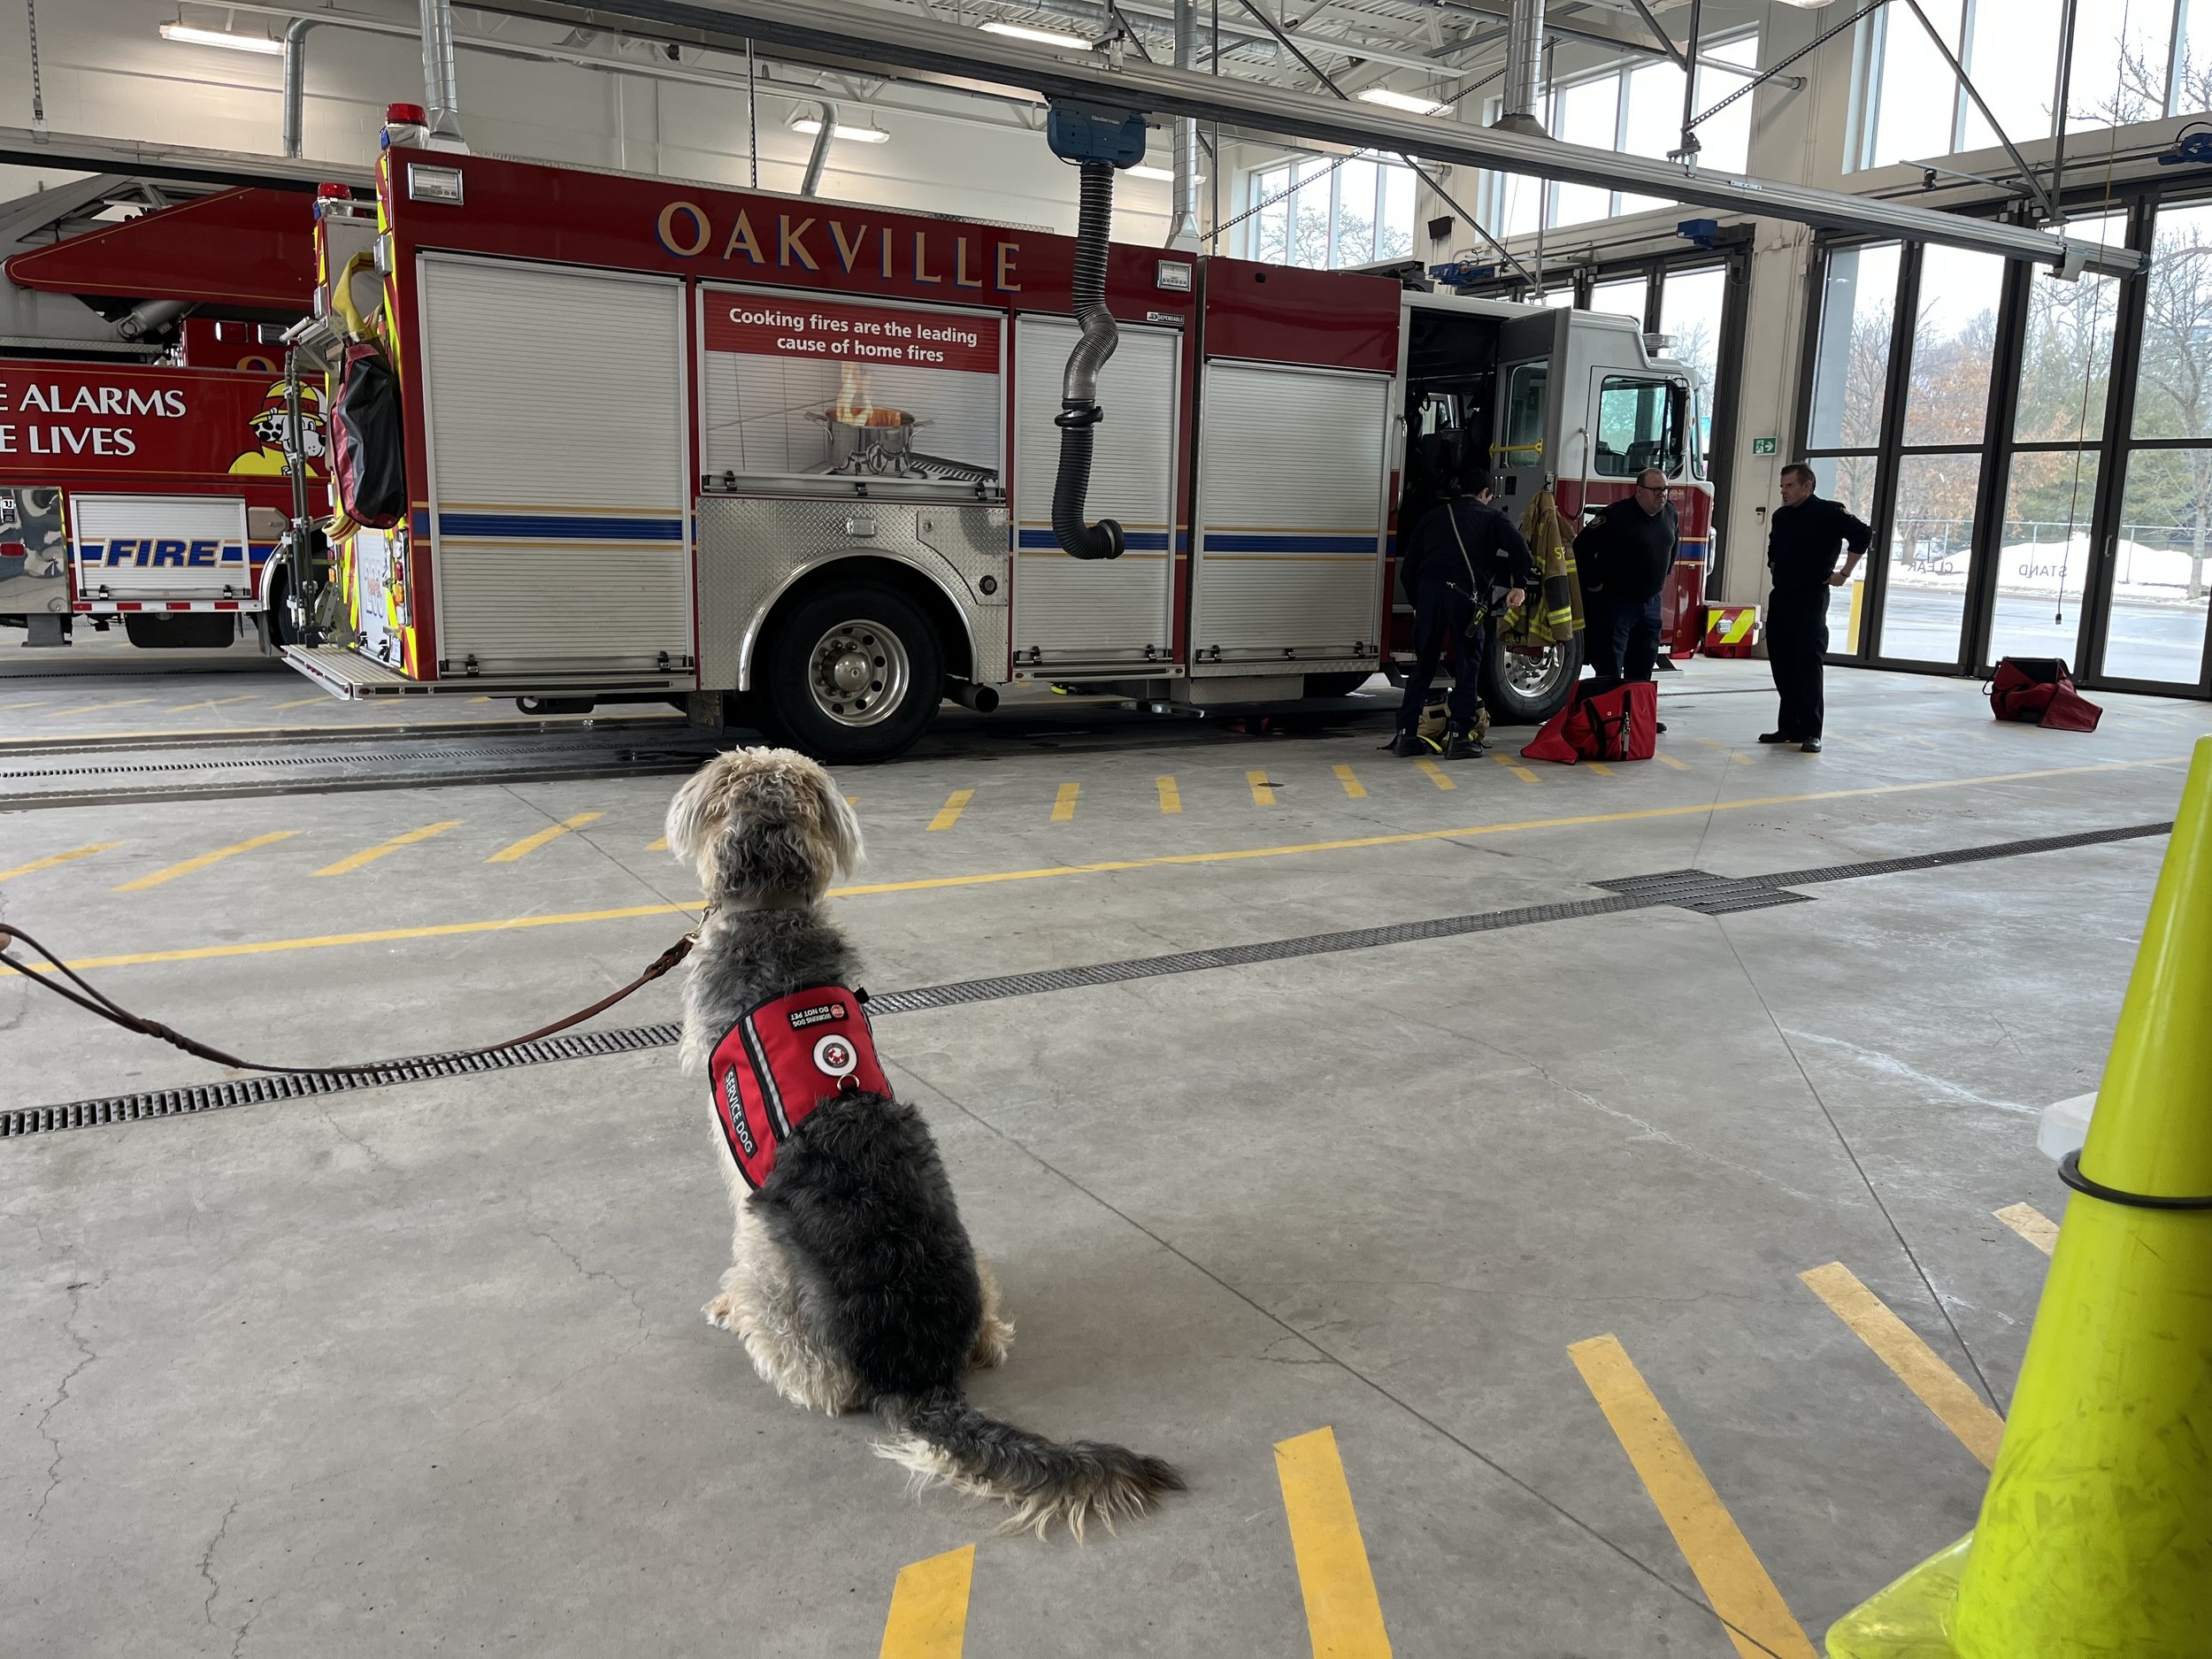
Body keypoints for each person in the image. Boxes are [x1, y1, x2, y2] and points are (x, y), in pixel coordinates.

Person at [1392, 466, 1533, 759]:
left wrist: (1421, 601)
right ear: (1485, 493)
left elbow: (1408, 569)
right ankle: (1459, 737)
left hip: (1430, 596)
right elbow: (1522, 553)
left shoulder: (1431, 518)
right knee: (1468, 665)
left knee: (1424, 666)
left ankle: (1406, 735)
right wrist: (1518, 586)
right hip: (1465, 599)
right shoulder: (1493, 517)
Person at [1763, 462, 1871, 754]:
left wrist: (1844, 573)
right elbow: (1774, 549)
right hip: (1782, 594)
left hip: (1810, 596)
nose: (1784, 491)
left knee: (1807, 664)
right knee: (1782, 662)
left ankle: (1811, 731)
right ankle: (1788, 727)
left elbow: (1863, 535)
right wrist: (1774, 563)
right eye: (1782, 486)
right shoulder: (1781, 516)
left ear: (1807, 486)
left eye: (1789, 486)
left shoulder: (1829, 512)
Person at [1576, 467, 1678, 695]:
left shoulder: (1670, 513)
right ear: (1639, 491)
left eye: (1665, 489)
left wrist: (1665, 572)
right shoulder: (1616, 516)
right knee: (1610, 664)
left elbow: (1674, 543)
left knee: (1643, 662)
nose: (1662, 494)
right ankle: (1608, 717)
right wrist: (1593, 582)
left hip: (1651, 603)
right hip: (1617, 602)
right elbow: (1581, 547)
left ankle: (1636, 718)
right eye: (1656, 490)